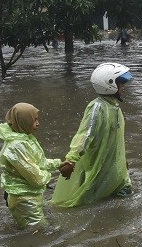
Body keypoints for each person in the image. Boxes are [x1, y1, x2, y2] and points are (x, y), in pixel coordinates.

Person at [51, 63, 133, 208]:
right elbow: (84, 135)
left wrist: (122, 159)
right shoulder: (98, 108)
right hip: (99, 164)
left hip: (115, 167)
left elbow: (117, 139)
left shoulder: (114, 106)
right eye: (121, 84)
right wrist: (71, 160)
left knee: (123, 198)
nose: (124, 88)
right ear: (110, 85)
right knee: (90, 200)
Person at [0, 102, 70, 230]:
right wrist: (53, 175)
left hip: (31, 195)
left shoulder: (26, 139)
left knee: (49, 228)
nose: (38, 123)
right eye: (34, 120)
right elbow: (36, 178)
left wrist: (58, 164)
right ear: (23, 121)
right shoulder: (17, 146)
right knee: (42, 234)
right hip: (24, 199)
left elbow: (39, 162)